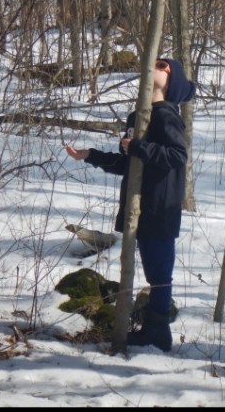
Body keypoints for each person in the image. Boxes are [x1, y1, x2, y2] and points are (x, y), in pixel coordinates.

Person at [66, 58, 197, 352]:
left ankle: (158, 332)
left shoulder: (166, 115)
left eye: (162, 64)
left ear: (170, 79)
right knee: (154, 272)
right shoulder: (138, 117)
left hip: (161, 209)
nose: (154, 65)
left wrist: (138, 146)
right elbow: (129, 165)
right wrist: (90, 155)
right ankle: (153, 329)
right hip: (140, 208)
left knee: (159, 275)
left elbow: (177, 156)